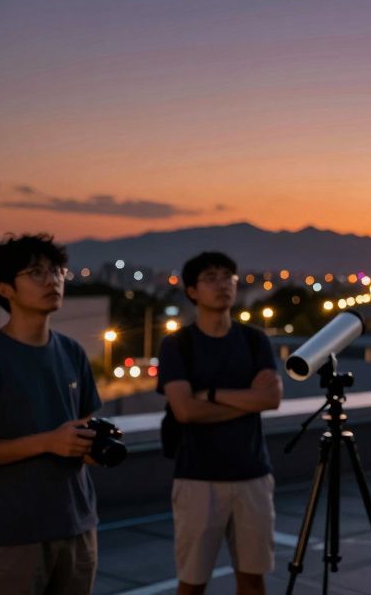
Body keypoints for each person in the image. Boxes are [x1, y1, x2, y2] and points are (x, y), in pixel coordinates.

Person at [0, 234, 101, 594]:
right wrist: (47, 442)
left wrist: (92, 447)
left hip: (77, 526)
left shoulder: (72, 352)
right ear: (6, 289)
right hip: (10, 537)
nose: (52, 280)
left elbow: (84, 428)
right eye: (35, 272)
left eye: (57, 270)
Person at [157, 251, 283, 595]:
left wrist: (210, 394)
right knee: (192, 582)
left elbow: (271, 399)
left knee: (253, 580)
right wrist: (245, 401)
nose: (223, 284)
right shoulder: (177, 344)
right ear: (192, 291)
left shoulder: (254, 339)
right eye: (211, 278)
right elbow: (184, 411)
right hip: (197, 477)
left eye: (228, 276)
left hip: (252, 474)